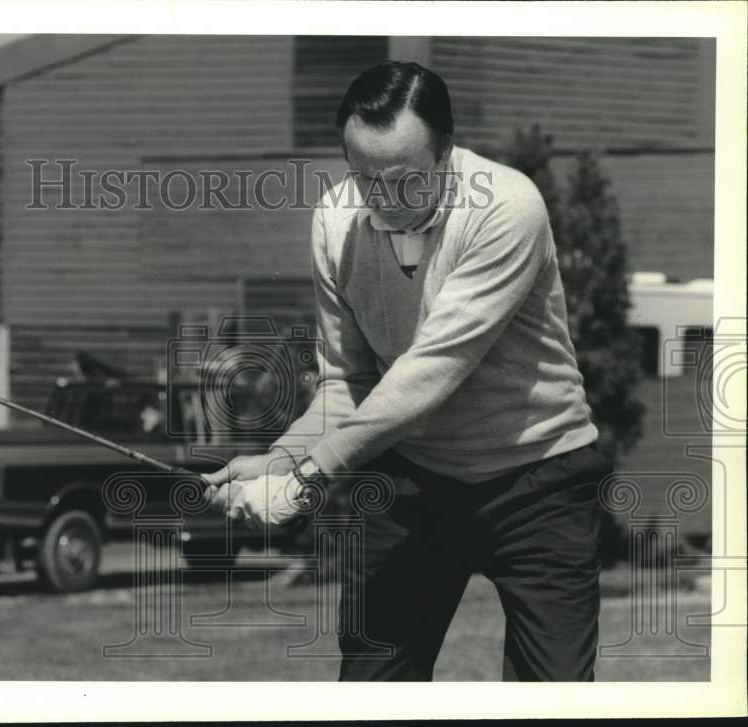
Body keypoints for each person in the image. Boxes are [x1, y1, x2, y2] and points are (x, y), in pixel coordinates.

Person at [202, 60, 613, 682]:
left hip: (539, 481)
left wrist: (304, 480)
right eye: (364, 178)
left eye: (404, 180)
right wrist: (281, 460)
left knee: (550, 697)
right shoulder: (336, 222)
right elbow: (348, 383)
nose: (383, 199)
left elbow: (427, 375)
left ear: (448, 151)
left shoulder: (507, 208)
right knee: (371, 686)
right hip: (414, 480)